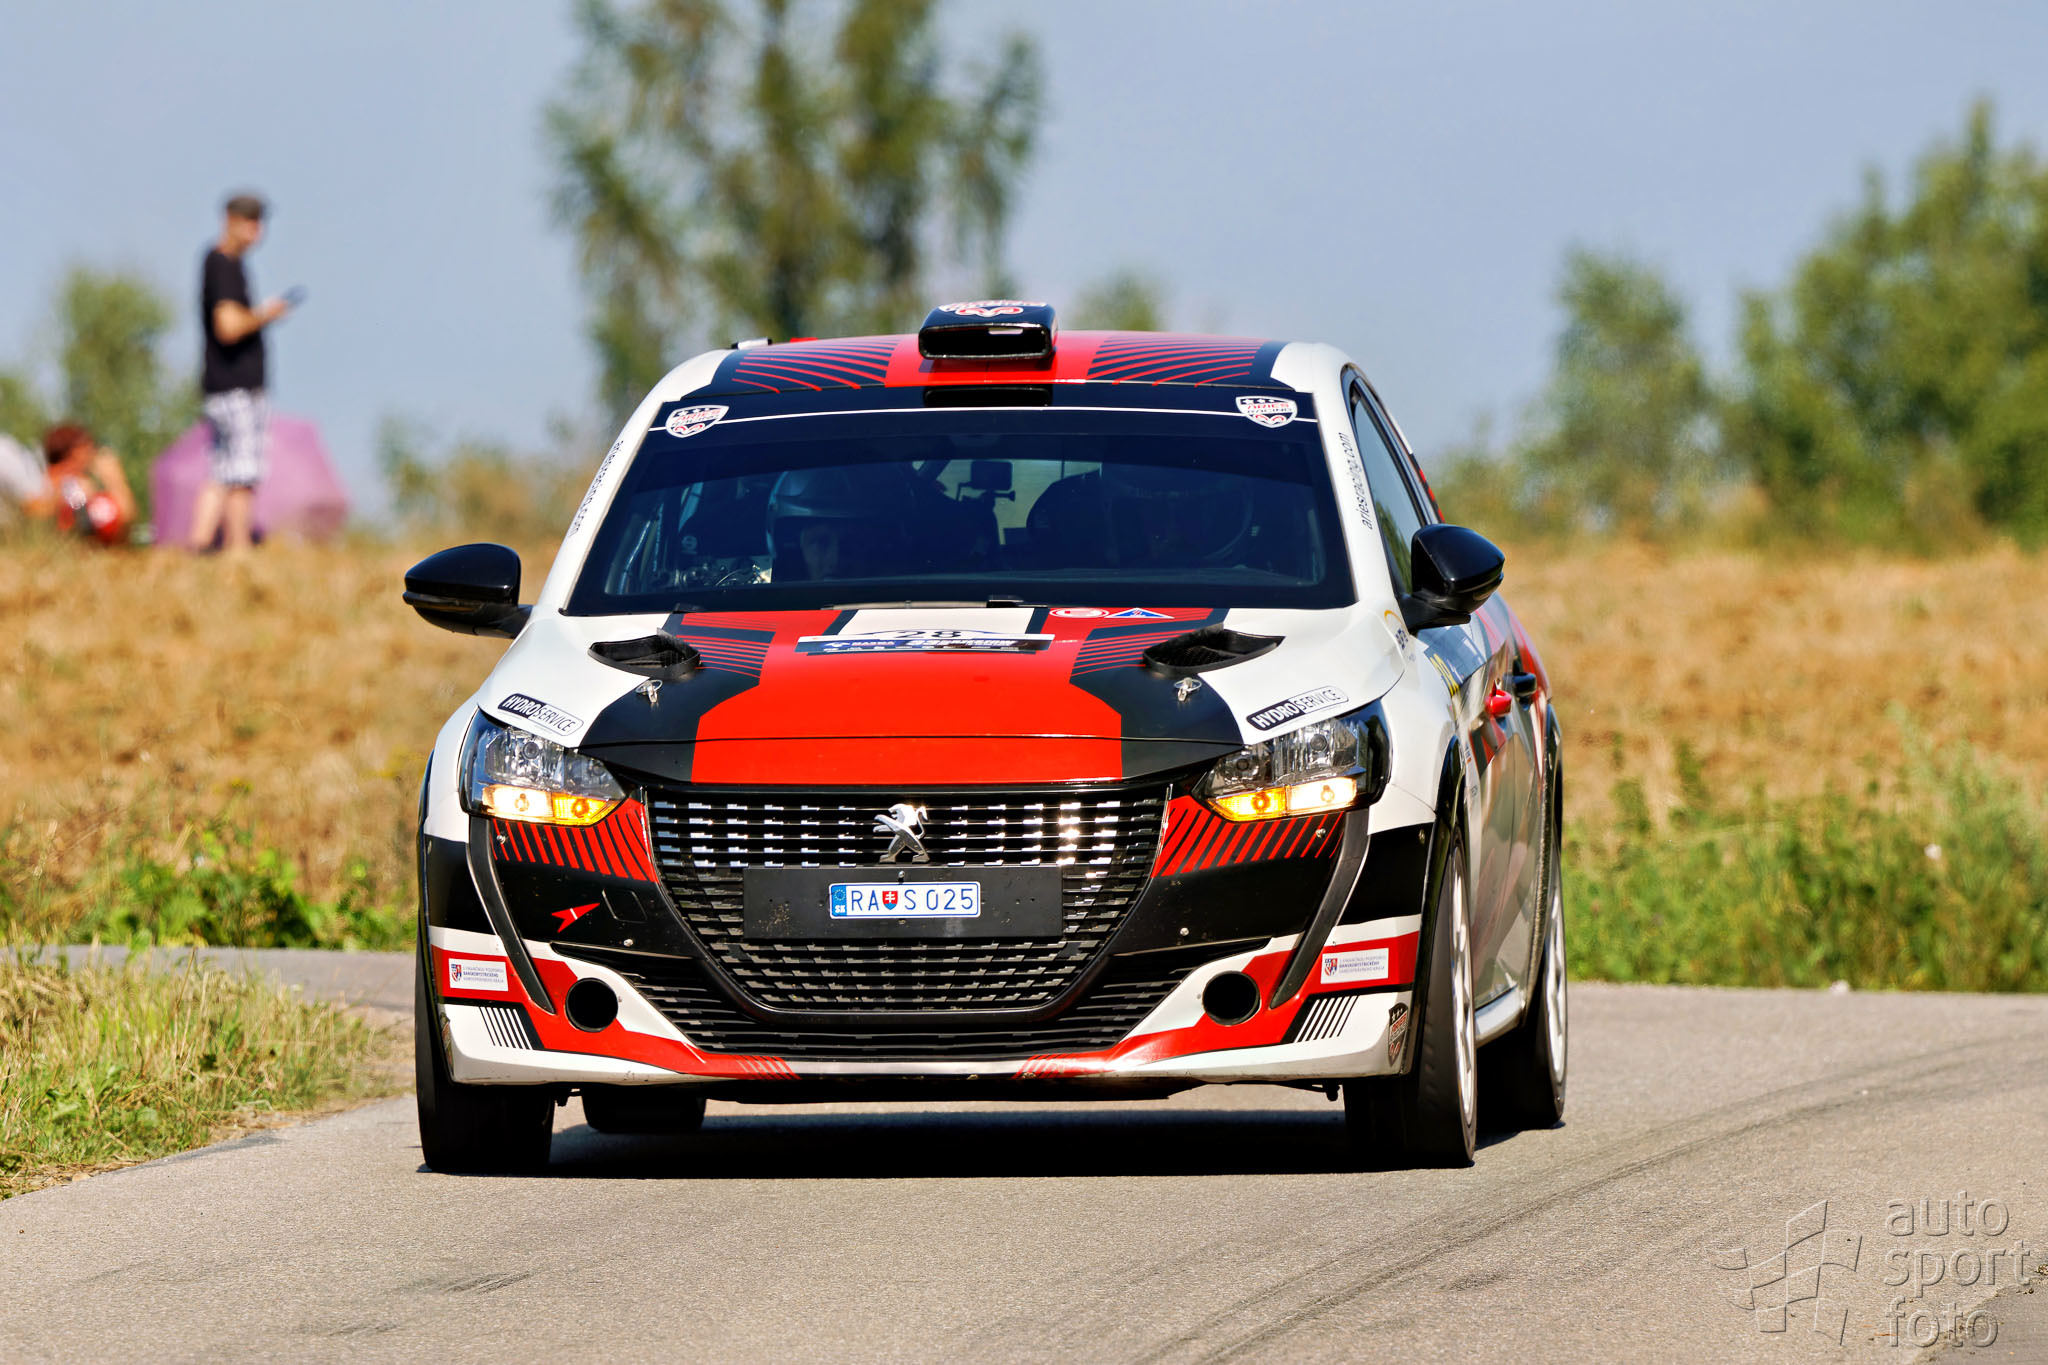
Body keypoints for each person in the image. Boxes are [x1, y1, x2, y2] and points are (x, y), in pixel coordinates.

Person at [190, 191, 291, 554]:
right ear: (230, 221)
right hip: (236, 386)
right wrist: (266, 314)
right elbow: (228, 326)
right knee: (242, 473)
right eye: (250, 221)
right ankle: (239, 547)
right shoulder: (224, 265)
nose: (257, 231)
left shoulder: (219, 263)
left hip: (222, 385)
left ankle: (200, 544)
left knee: (222, 470)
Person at [24, 423, 136, 544]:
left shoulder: (60, 482)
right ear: (75, 451)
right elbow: (124, 518)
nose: (92, 453)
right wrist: (114, 479)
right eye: (88, 447)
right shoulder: (70, 485)